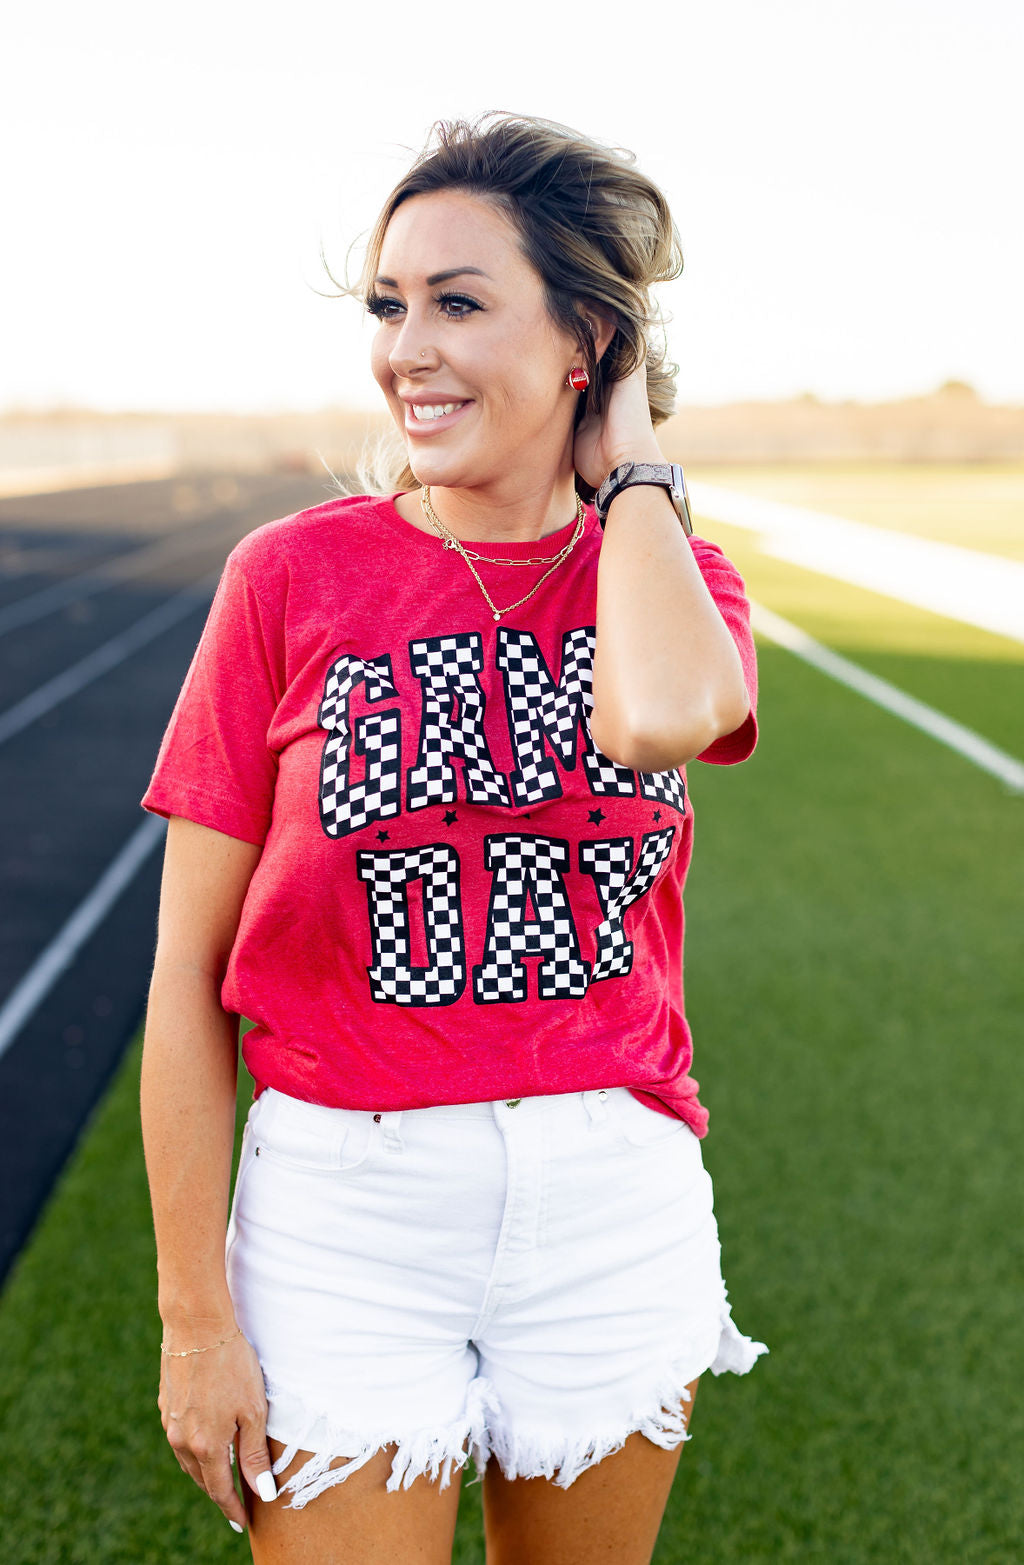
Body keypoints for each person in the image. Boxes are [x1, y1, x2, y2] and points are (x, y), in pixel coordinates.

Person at [139, 111, 769, 1565]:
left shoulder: (674, 579)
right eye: (390, 304)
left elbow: (668, 713)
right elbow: (184, 975)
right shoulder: (291, 576)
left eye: (461, 302)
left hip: (614, 1200)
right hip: (345, 1221)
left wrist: (637, 475)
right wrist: (193, 1315)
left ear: (585, 345)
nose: (406, 347)